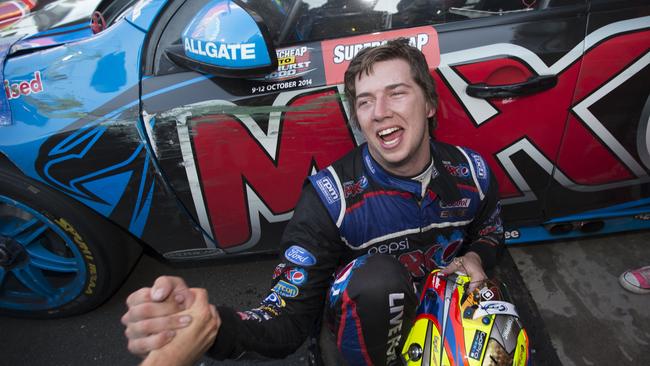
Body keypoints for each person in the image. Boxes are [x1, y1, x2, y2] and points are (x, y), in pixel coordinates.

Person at [121, 39, 505, 365]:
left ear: (430, 105)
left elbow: (490, 232)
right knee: (376, 282)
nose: (381, 112)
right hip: (365, 330)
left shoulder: (472, 172)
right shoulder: (329, 198)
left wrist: (477, 258)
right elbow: (283, 318)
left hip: (441, 317)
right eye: (365, 102)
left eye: (397, 93)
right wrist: (213, 326)